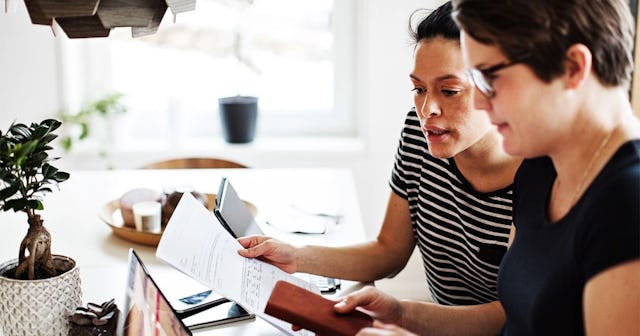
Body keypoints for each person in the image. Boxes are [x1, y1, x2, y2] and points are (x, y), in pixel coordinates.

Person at [336, 0, 640, 335]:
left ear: (572, 67)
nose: (480, 101)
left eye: (491, 77)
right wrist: (403, 315)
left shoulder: (628, 200)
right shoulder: (540, 167)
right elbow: (512, 318)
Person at [239, 2, 521, 333]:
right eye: (418, 89)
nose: (427, 109)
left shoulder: (541, 174)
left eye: (449, 91)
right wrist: (298, 257)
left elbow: (512, 316)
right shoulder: (420, 135)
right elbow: (389, 251)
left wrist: (402, 314)